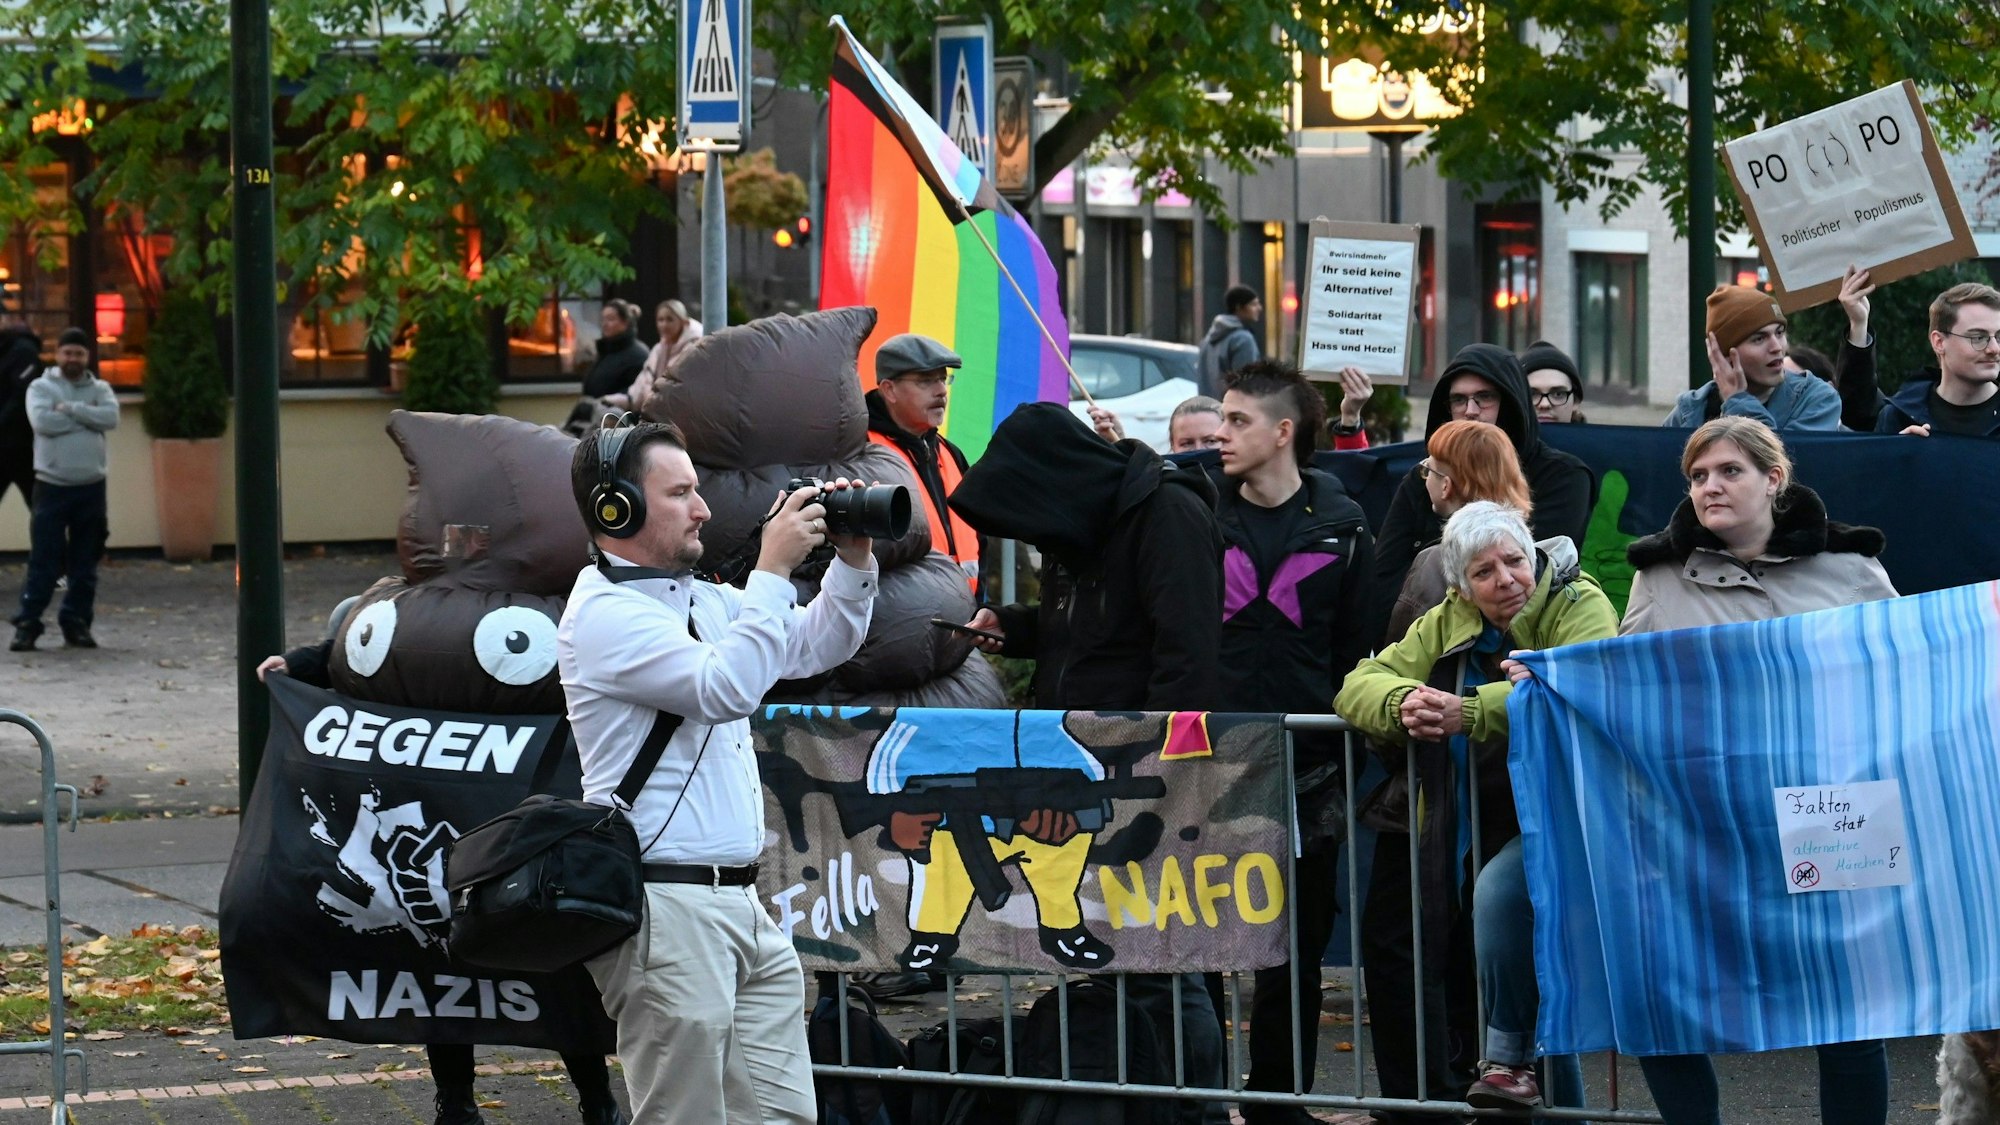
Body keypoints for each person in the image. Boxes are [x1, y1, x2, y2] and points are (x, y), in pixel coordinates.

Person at [559, 418, 878, 1124]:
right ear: (617, 508)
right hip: (665, 909)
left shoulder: (700, 597)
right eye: (679, 493)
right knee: (687, 1116)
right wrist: (769, 570)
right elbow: (726, 687)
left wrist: (852, 560)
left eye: (698, 489)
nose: (702, 508)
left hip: (743, 902)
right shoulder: (604, 613)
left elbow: (814, 644)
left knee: (784, 1115)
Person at [949, 401, 1227, 1125]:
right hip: (1082, 775)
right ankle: (1148, 1103)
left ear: (1055, 486)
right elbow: (1093, 635)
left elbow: (1185, 658)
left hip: (1146, 781)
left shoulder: (1166, 514)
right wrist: (1018, 627)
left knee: (1168, 962)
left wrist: (1160, 785)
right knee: (1126, 960)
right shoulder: (1086, 527)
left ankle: (1195, 1108)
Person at [1612, 415, 1895, 1124]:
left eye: (1729, 471)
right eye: (1698, 475)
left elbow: (1905, 679)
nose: (1710, 486)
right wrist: (1543, 682)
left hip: (1831, 813)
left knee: (1848, 1014)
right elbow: (1615, 685)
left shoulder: (1854, 569)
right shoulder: (1658, 578)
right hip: (1705, 820)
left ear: (1775, 478)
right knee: (1668, 1002)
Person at [255, 640, 630, 1125]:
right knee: (441, 958)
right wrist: (308, 664)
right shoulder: (435, 583)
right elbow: (394, 642)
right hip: (438, 789)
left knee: (552, 950)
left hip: (531, 790)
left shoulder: (565, 588)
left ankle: (595, 1096)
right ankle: (457, 1101)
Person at [1336, 502, 1617, 1120]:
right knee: (1486, 934)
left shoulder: (1579, 601)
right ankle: (1506, 1072)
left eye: (1515, 561)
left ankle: (1509, 1061)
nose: (1507, 580)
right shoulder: (1449, 616)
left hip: (1575, 814)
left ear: (1533, 553)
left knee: (1519, 926)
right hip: (1472, 820)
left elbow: (1578, 684)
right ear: (1462, 586)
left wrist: (1464, 710)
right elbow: (1359, 683)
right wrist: (1406, 701)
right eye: (1485, 572)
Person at [1210, 359, 1376, 1125]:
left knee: (1294, 945)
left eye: (1238, 419)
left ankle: (1279, 1100)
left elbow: (1359, 647)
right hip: (1206, 765)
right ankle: (1200, 1092)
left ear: (1284, 432)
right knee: (1200, 938)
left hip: (1310, 767)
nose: (1220, 432)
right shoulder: (1197, 515)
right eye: (1220, 416)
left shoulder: (1344, 529)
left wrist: (1347, 749)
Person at [1370, 344, 1596, 642]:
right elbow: (1383, 580)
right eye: (1458, 400)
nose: (1471, 411)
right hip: (1422, 642)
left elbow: (1529, 580)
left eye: (1485, 397)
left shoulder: (1563, 477)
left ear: (1511, 402)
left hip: (1520, 649)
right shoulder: (1424, 476)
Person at [12, 327, 118, 652]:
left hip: (91, 488)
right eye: (68, 352)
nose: (73, 359)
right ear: (57, 355)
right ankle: (28, 625)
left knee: (85, 563)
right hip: (52, 487)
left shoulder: (100, 388)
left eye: (79, 353)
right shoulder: (40, 387)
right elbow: (43, 423)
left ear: (88, 357)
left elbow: (111, 417)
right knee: (44, 560)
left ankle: (77, 624)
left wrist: (70, 409)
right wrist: (89, 418)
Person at [866, 332, 980, 589]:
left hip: (965, 616)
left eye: (943, 379)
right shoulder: (862, 452)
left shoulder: (951, 453)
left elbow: (978, 538)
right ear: (889, 390)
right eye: (926, 381)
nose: (941, 391)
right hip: (903, 621)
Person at [1661, 283, 1844, 430]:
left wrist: (1737, 401)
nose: (1777, 347)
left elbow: (1777, 467)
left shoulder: (1816, 399)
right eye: (1759, 339)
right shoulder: (1690, 413)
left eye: (1779, 333)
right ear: (1723, 354)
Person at [1875, 281, 2000, 439]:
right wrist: (1899, 455)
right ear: (1939, 342)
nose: (1994, 349)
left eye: (1999, 337)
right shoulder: (1898, 417)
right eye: (1978, 337)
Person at [616, 299, 705, 414]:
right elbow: (640, 387)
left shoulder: (693, 349)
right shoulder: (659, 348)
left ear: (683, 322)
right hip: (651, 409)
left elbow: (678, 389)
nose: (664, 325)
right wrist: (615, 400)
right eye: (660, 320)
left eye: (670, 319)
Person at [0, 312, 39, 513]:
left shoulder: (23, 350)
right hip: (7, 443)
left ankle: (50, 545)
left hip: (22, 445)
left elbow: (22, 395)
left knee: (41, 509)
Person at [1198, 285, 1262, 398]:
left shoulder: (1208, 339)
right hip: (1231, 410)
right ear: (1239, 307)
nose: (1259, 308)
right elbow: (1245, 384)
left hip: (1208, 409)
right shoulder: (1242, 339)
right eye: (1253, 304)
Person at [580, 299, 649, 400]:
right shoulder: (607, 351)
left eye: (610, 319)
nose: (605, 324)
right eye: (603, 319)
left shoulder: (638, 355)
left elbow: (636, 394)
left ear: (625, 323)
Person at [1518, 341, 1584, 425]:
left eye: (1558, 394)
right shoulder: (1498, 437)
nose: (1544, 404)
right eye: (1531, 394)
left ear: (1575, 401)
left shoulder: (1599, 438)